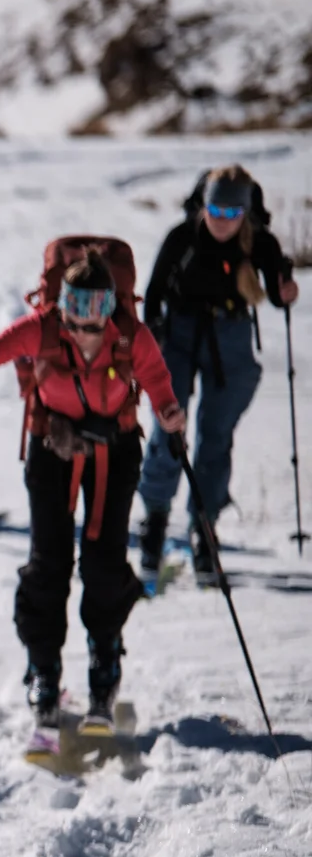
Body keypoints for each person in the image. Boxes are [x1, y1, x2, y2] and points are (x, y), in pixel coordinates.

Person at [0, 248, 185, 756]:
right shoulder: (40, 329)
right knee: (49, 562)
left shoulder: (130, 336)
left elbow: (158, 382)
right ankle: (44, 669)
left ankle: (105, 664)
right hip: (51, 450)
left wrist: (169, 412)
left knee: (103, 562)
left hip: (114, 452)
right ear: (61, 305)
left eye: (93, 312)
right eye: (74, 311)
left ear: (108, 308)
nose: (83, 326)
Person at [136, 165, 300, 583]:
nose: (221, 220)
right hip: (179, 334)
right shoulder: (182, 237)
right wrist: (152, 335)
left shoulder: (258, 242)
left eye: (231, 212)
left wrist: (284, 292)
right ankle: (155, 520)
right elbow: (153, 292)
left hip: (230, 335)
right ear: (202, 205)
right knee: (169, 425)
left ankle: (204, 528)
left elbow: (278, 294)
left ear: (245, 211)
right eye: (214, 209)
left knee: (217, 433)